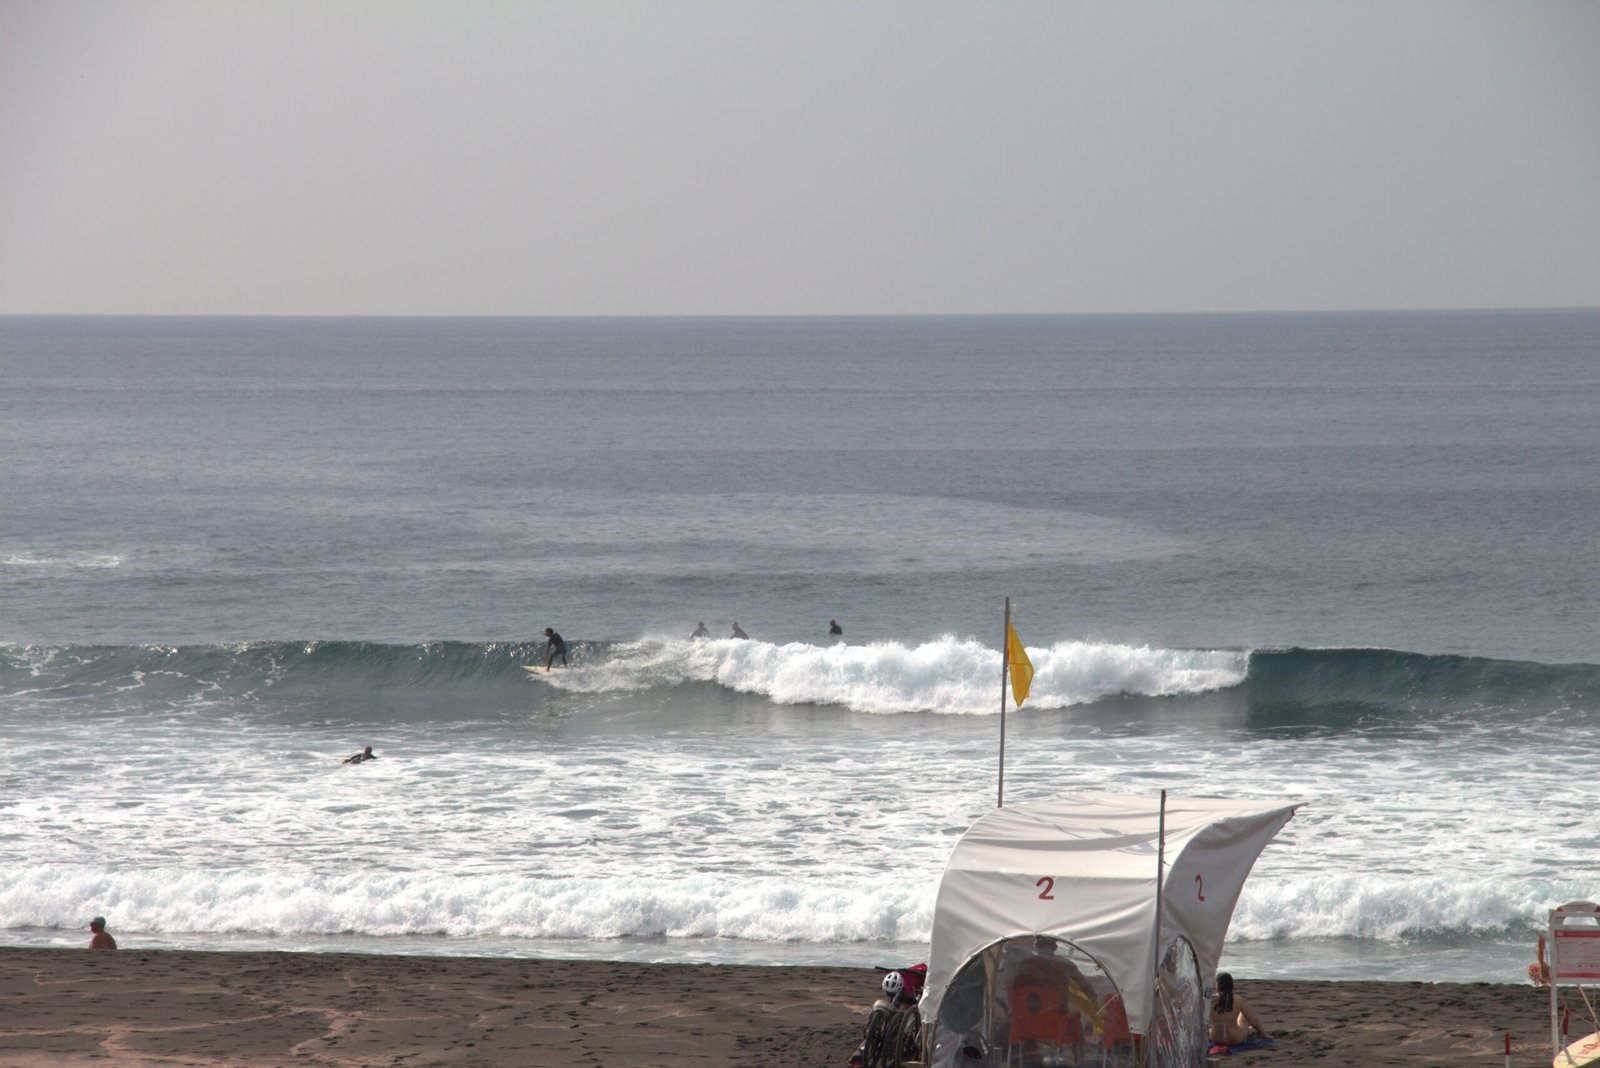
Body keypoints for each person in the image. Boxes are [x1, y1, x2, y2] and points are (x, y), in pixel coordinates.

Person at [1209, 973, 1267, 1045]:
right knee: (1243, 1015)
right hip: (1234, 1039)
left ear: (1217, 984)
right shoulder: (1238, 999)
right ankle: (1249, 1030)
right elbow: (1253, 1020)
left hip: (1215, 1038)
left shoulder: (1210, 1000)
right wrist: (1264, 1034)